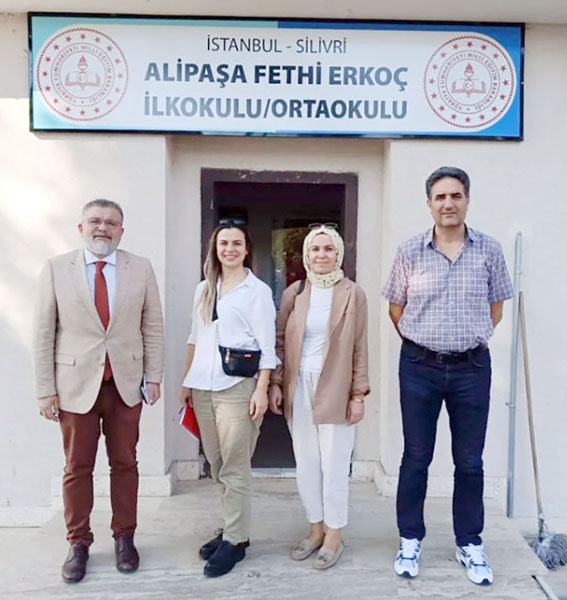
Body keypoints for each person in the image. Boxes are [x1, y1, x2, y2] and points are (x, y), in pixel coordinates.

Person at [382, 167, 514, 586]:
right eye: (440, 197)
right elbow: (396, 308)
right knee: (415, 457)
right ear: (429, 204)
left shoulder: (489, 250)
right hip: (418, 367)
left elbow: (496, 308)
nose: (448, 203)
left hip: (471, 368)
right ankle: (409, 539)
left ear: (467, 200)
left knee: (470, 461)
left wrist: (468, 339)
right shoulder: (409, 251)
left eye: (456, 195)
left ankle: (469, 542)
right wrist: (424, 342)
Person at [33, 199, 164, 583]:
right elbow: (44, 332)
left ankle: (125, 537)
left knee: (125, 464)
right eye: (95, 221)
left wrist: (154, 376)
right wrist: (45, 389)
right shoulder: (57, 269)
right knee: (77, 467)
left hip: (126, 385)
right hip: (74, 387)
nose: (102, 227)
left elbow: (153, 325)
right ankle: (78, 543)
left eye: (111, 222)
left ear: (121, 230)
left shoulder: (140, 267)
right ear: (81, 228)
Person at [178, 220, 277, 578]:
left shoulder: (257, 291)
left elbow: (267, 347)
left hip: (237, 387)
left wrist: (262, 389)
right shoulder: (204, 288)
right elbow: (194, 337)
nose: (230, 249)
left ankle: (235, 540)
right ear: (215, 248)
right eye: (224, 243)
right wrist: (186, 383)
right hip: (202, 387)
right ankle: (233, 528)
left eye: (237, 243)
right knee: (217, 464)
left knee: (235, 466)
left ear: (246, 249)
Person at [269, 224, 370, 570]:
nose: (322, 255)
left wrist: (358, 394)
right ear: (306, 255)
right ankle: (315, 528)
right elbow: (279, 341)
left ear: (338, 253)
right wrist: (276, 383)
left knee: (334, 464)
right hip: (299, 385)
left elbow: (360, 347)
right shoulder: (295, 293)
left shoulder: (352, 293)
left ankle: (334, 535)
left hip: (336, 387)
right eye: (315, 249)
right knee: (307, 463)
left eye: (328, 249)